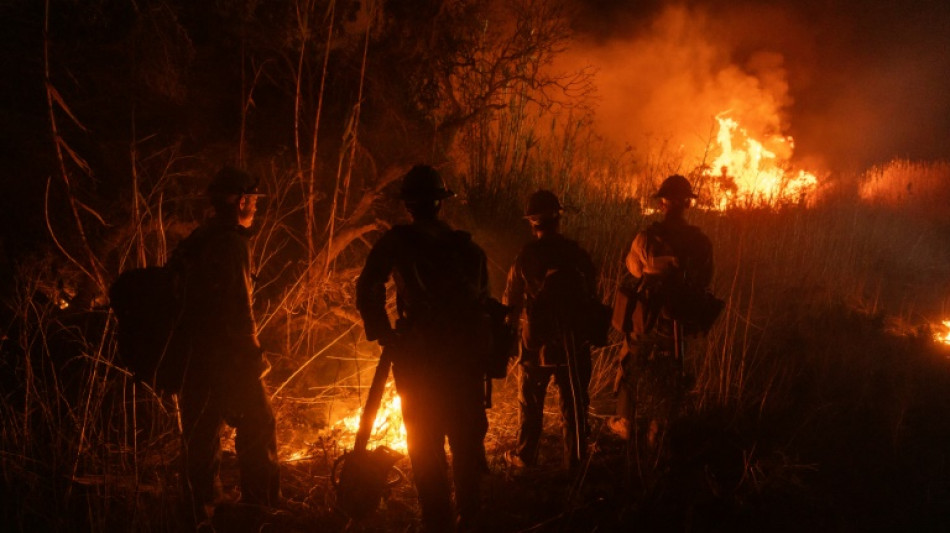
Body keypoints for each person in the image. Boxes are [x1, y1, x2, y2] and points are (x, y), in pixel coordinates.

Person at [356, 165, 491, 532]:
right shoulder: (470, 250)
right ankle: (470, 517)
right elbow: (483, 307)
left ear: (409, 206)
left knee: (424, 439)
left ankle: (437, 520)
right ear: (440, 204)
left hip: (419, 357)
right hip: (463, 360)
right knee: (464, 440)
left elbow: (368, 285)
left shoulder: (398, 242)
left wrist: (385, 333)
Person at [176, 166, 280, 528]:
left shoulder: (199, 238)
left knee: (201, 430)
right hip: (226, 353)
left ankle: (201, 503)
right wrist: (253, 355)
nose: (254, 207)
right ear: (239, 201)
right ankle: (260, 506)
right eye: (251, 200)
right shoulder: (232, 243)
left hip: (192, 352)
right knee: (259, 422)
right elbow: (240, 305)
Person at [610, 175, 713, 474]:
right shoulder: (700, 240)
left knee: (631, 360)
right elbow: (705, 278)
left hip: (650, 317)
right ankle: (662, 425)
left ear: (663, 202)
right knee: (677, 368)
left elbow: (634, 269)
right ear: (687, 203)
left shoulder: (647, 237)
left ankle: (626, 421)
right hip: (682, 318)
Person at [503, 190, 598, 472]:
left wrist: (510, 338)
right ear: (558, 219)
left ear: (532, 223)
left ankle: (525, 457)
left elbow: (511, 300)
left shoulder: (525, 257)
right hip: (574, 342)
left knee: (530, 404)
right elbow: (592, 293)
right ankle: (576, 460)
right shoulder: (577, 253)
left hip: (537, 345)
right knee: (574, 404)